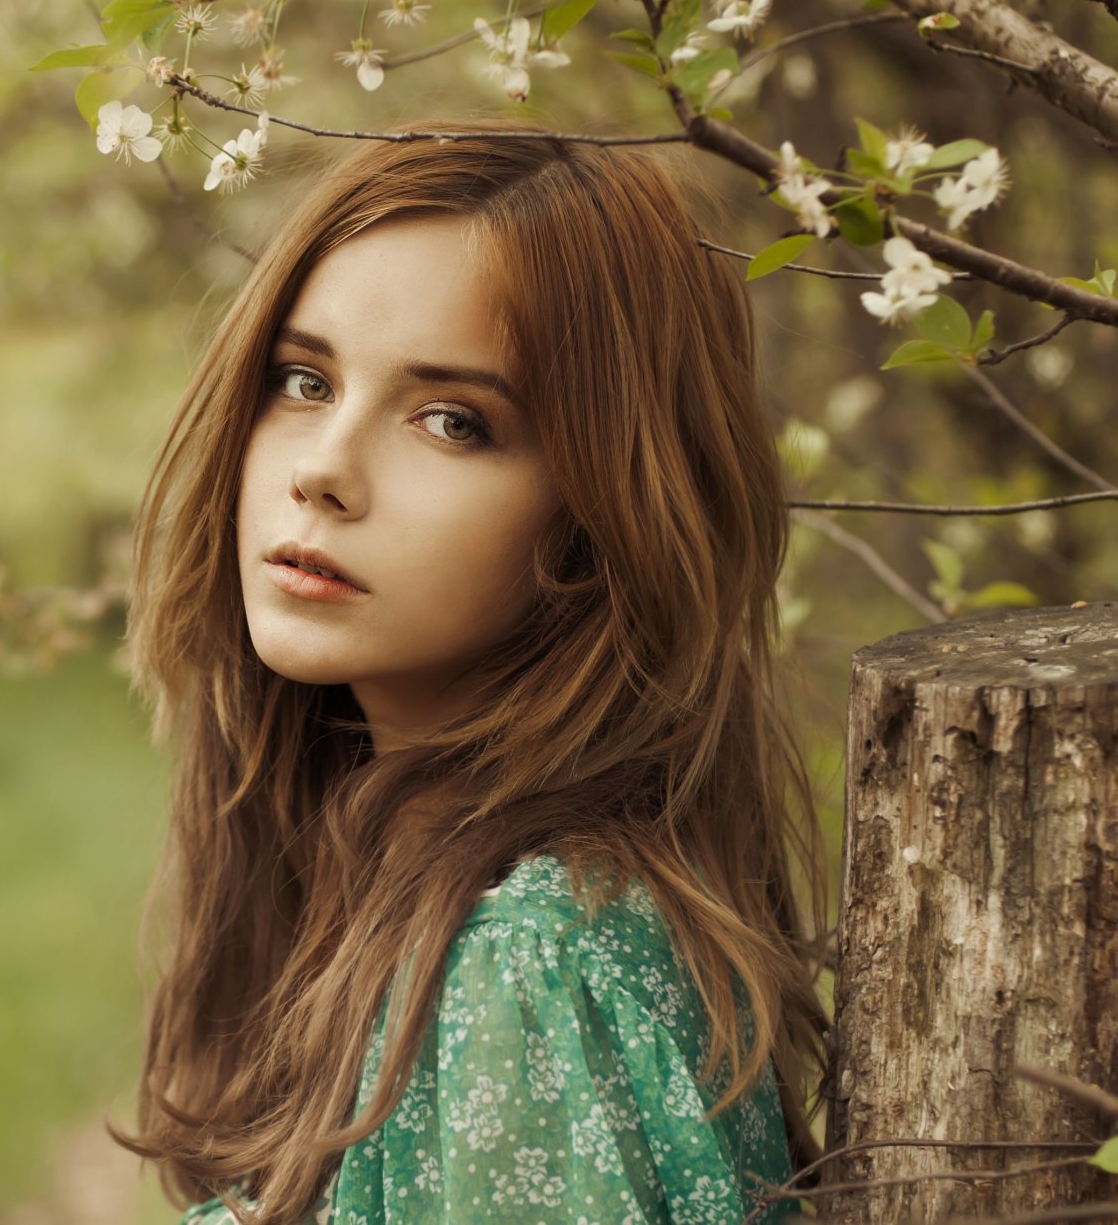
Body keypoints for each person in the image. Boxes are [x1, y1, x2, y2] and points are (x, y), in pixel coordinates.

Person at [104, 116, 830, 1224]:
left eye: (452, 421)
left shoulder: (525, 968)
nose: (324, 469)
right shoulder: (409, 881)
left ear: (602, 519)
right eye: (304, 381)